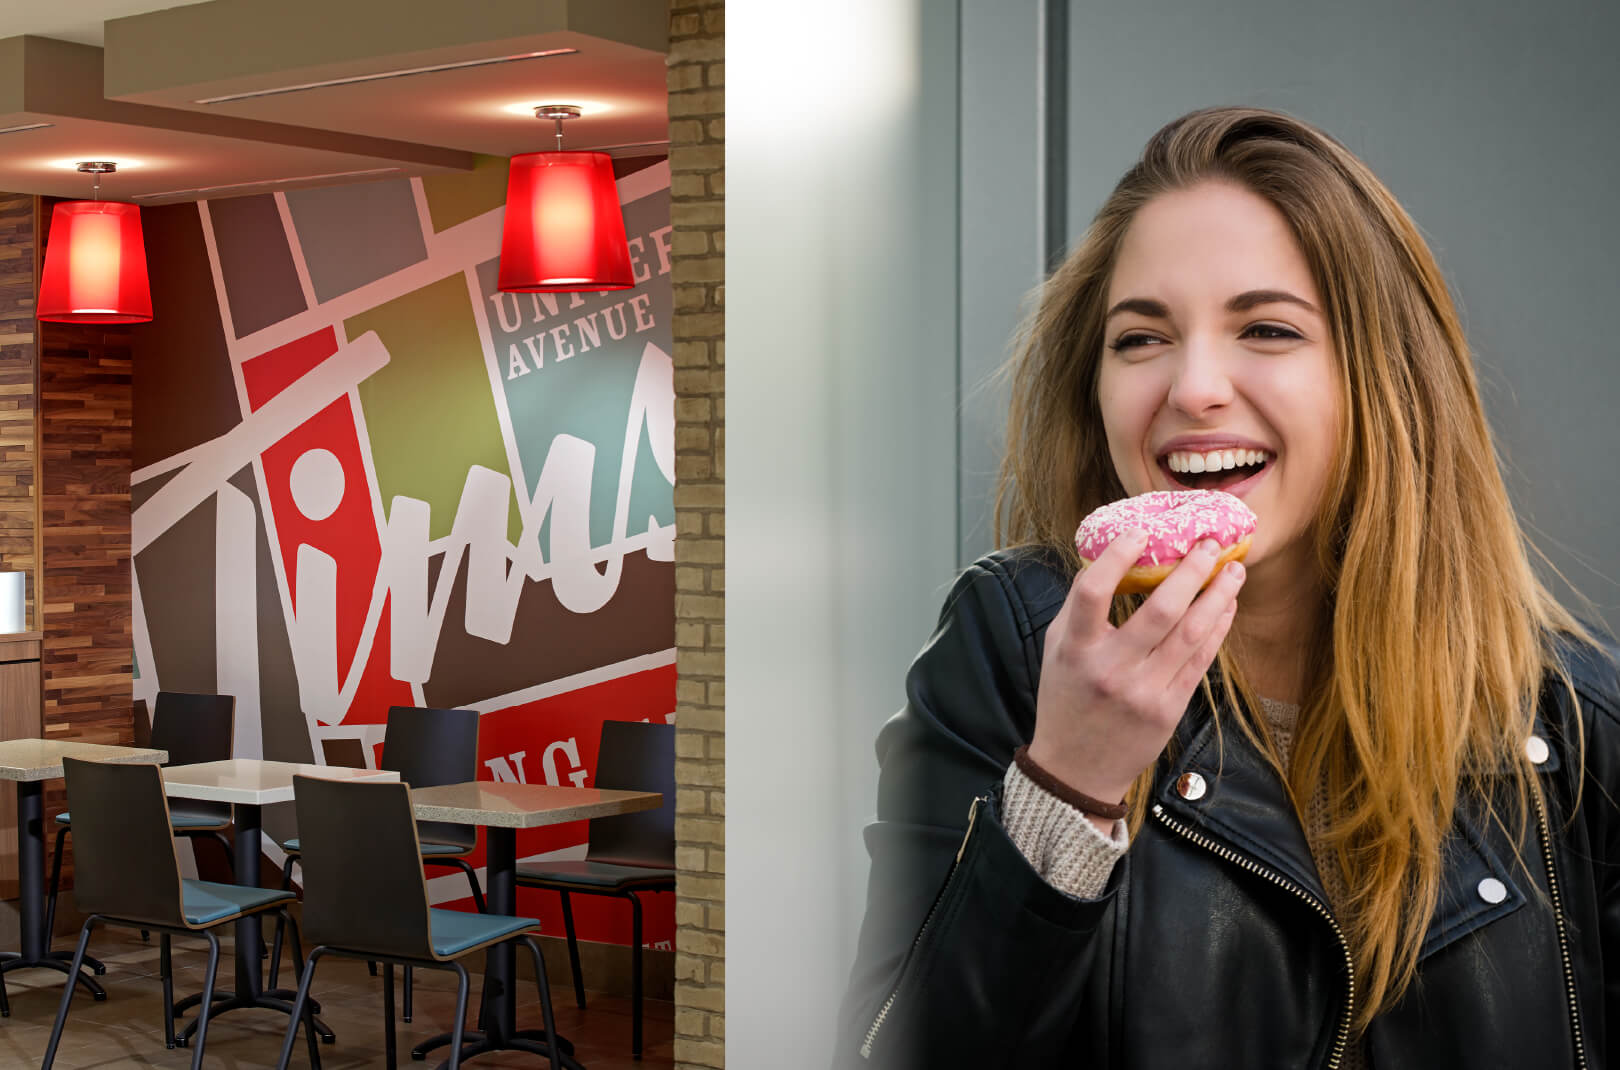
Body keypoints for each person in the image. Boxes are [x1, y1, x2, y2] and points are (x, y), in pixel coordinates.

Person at [834, 105, 1620, 1069]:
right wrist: (1069, 785)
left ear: (1385, 378)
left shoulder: (1572, 722)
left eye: (1267, 328)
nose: (1194, 387)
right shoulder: (1012, 646)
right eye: (1140, 339)